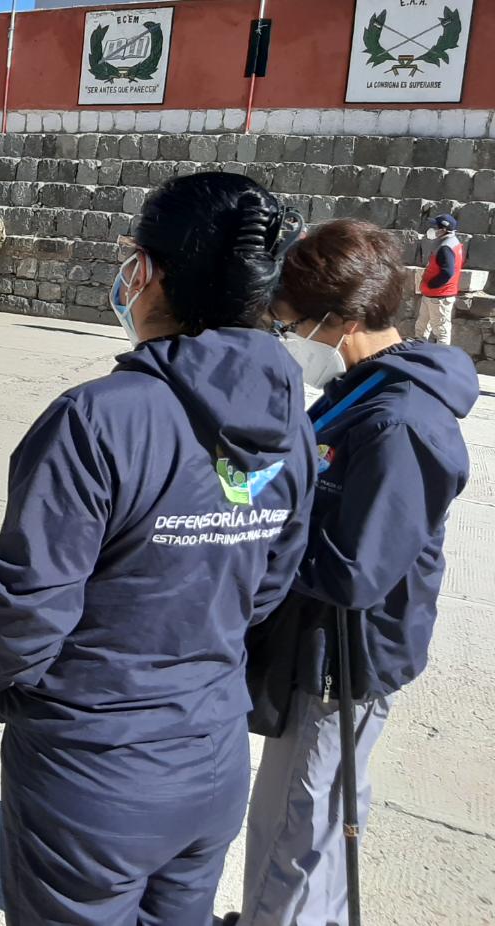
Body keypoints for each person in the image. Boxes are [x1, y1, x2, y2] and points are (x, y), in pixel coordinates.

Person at [0, 172, 317, 926]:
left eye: (131, 259)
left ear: (147, 273)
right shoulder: (294, 421)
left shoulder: (100, 420)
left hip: (94, 770)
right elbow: (271, 583)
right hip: (211, 758)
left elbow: (25, 611)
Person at [229, 219, 477, 926]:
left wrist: (249, 532)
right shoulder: (359, 390)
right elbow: (306, 477)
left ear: (338, 320)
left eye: (290, 324)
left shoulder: (399, 421)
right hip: (312, 645)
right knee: (301, 814)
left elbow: (355, 571)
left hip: (343, 658)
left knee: (299, 831)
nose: (288, 339)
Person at [415, 213, 463, 346]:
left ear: (443, 230)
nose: (432, 229)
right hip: (432, 294)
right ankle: (418, 351)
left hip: (439, 295)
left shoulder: (446, 248)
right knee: (422, 326)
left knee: (441, 331)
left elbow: (448, 272)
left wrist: (431, 284)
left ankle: (442, 359)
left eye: (435, 227)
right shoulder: (447, 243)